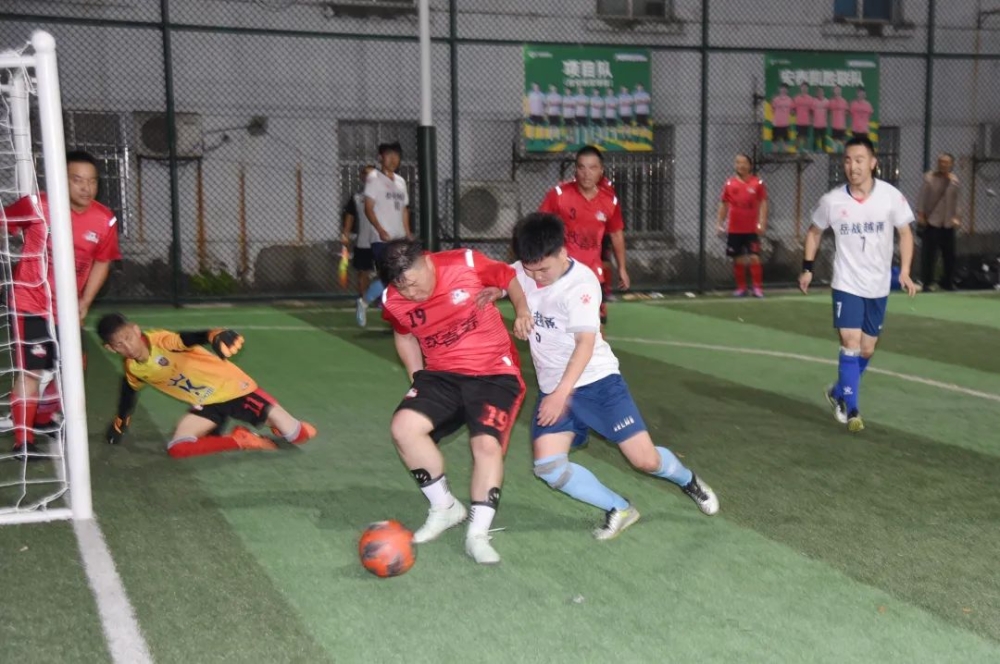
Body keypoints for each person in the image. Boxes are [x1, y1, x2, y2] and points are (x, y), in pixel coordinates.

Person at [511, 213, 718, 540]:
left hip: (597, 383)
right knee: (548, 467)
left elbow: (585, 344)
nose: (535, 277)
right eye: (529, 269)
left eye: (543, 270)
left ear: (562, 252)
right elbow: (503, 279)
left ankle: (688, 480)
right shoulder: (524, 271)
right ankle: (619, 507)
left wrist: (561, 394)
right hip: (554, 387)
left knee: (644, 460)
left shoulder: (581, 285)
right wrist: (521, 308)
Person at [379, 239, 532, 565]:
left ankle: (477, 535)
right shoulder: (393, 299)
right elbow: (404, 335)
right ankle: (444, 507)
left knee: (485, 444)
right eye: (403, 289)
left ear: (427, 261)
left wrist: (522, 310)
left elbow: (508, 277)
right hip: (441, 374)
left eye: (415, 284)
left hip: (494, 371)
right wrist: (418, 378)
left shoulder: (465, 263)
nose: (412, 294)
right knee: (404, 428)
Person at [2, 151, 121, 456]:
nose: (86, 187)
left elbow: (103, 261)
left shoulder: (105, 219)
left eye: (92, 181)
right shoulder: (37, 205)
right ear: (61, 179)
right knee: (33, 370)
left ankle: (43, 419)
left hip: (66, 309)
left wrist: (85, 301)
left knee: (73, 367)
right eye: (77, 180)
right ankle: (23, 442)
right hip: (30, 302)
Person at [799, 136, 917, 432]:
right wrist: (807, 269)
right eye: (848, 160)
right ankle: (852, 409)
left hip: (878, 285)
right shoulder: (832, 201)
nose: (853, 166)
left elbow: (905, 233)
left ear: (873, 163)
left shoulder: (890, 196)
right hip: (846, 283)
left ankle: (838, 391)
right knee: (850, 342)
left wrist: (904, 271)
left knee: (866, 349)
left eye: (860, 160)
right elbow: (814, 232)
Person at [96, 313, 316, 457]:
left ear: (136, 330)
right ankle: (241, 439)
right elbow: (128, 395)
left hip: (235, 390)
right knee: (178, 448)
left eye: (128, 337)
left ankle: (275, 421)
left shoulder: (161, 341)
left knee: (301, 435)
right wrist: (119, 424)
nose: (128, 347)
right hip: (207, 403)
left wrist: (211, 335)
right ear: (110, 348)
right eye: (119, 344)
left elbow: (186, 338)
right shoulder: (133, 368)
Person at [538, 145, 630, 327]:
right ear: (575, 170)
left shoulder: (609, 201)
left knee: (595, 324)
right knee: (560, 325)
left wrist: (622, 268)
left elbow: (616, 235)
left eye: (592, 168)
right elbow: (539, 227)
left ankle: (596, 345)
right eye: (582, 167)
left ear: (601, 171)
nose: (587, 173)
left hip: (592, 274)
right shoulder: (559, 195)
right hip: (562, 272)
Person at [356, 141, 411, 327]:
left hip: (400, 239)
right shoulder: (374, 178)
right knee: (393, 276)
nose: (393, 159)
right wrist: (380, 229)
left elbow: (404, 210)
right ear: (381, 157)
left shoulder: (401, 182)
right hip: (381, 240)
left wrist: (408, 233)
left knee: (397, 277)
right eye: (389, 155)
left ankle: (368, 302)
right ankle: (368, 303)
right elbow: (368, 208)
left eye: (397, 155)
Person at [716, 153, 769, 297]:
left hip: (751, 229)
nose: (741, 166)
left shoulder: (757, 183)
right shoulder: (729, 184)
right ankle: (741, 288)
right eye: (738, 163)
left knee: (754, 257)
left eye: (744, 163)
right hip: (734, 228)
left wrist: (762, 222)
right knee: (738, 258)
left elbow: (763, 203)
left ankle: (757, 288)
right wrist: (719, 223)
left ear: (750, 165)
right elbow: (724, 204)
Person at [916, 153, 962, 291]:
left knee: (950, 255)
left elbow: (957, 201)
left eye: (946, 162)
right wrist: (921, 215)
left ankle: (947, 281)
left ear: (951, 164)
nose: (943, 164)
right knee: (929, 254)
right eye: (941, 162)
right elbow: (922, 198)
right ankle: (927, 282)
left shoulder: (954, 181)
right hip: (932, 221)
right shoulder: (930, 178)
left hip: (948, 222)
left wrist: (957, 217)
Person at [340, 165, 377, 300]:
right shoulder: (356, 197)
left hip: (381, 240)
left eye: (372, 175)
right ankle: (363, 299)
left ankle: (383, 300)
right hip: (363, 242)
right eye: (366, 174)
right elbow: (350, 216)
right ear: (362, 177)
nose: (369, 177)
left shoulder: (385, 195)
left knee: (385, 273)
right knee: (363, 272)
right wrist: (345, 234)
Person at [792, 82, 815, 152]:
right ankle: (796, 150)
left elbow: (811, 111)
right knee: (797, 137)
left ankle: (805, 150)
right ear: (800, 88)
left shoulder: (810, 99)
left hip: (806, 122)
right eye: (803, 87)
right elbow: (793, 110)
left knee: (805, 137)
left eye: (806, 87)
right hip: (798, 122)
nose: (804, 89)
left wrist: (811, 120)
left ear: (808, 89)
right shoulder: (796, 98)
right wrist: (793, 112)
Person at [770, 84, 793, 152]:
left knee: (785, 142)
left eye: (785, 88)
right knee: (775, 142)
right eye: (782, 88)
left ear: (787, 90)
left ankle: (785, 154)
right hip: (776, 124)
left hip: (785, 124)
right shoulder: (775, 99)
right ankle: (774, 155)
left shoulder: (790, 100)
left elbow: (792, 112)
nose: (783, 90)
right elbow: (772, 110)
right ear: (779, 89)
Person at [828, 86, 849, 152]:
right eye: (836, 90)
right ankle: (835, 153)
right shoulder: (831, 101)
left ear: (841, 91)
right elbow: (829, 112)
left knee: (843, 141)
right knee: (835, 142)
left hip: (842, 126)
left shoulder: (844, 101)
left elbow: (847, 112)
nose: (837, 91)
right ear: (834, 91)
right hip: (834, 125)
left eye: (838, 90)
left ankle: (844, 153)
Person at [812, 87, 830, 152]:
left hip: (823, 125)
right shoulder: (813, 101)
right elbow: (811, 112)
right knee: (815, 141)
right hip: (815, 125)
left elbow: (828, 112)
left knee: (823, 141)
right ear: (817, 93)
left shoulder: (827, 101)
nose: (820, 93)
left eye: (821, 91)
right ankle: (813, 153)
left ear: (823, 92)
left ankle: (824, 154)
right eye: (818, 92)